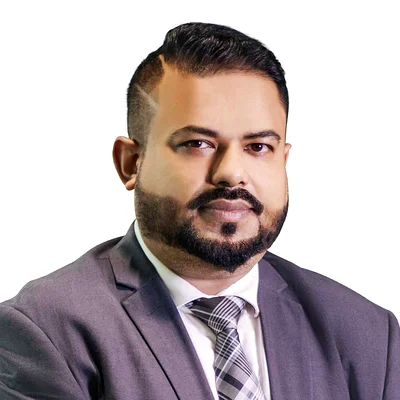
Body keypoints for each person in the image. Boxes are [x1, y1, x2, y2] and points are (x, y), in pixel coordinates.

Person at [0, 21, 399, 400]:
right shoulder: (44, 332)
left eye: (258, 147)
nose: (231, 173)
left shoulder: (368, 335)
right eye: (197, 144)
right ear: (131, 163)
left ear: (283, 159)